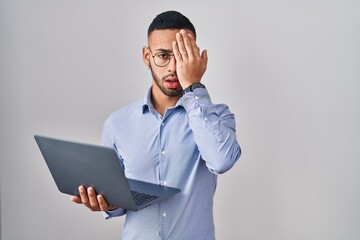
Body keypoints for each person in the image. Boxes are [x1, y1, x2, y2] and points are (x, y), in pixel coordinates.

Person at [71, 10, 241, 240]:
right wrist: (105, 203)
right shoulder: (117, 123)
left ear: (195, 58)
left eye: (181, 56)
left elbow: (221, 160)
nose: (172, 68)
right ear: (146, 56)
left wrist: (193, 85)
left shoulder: (216, 116)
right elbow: (119, 201)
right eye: (163, 55)